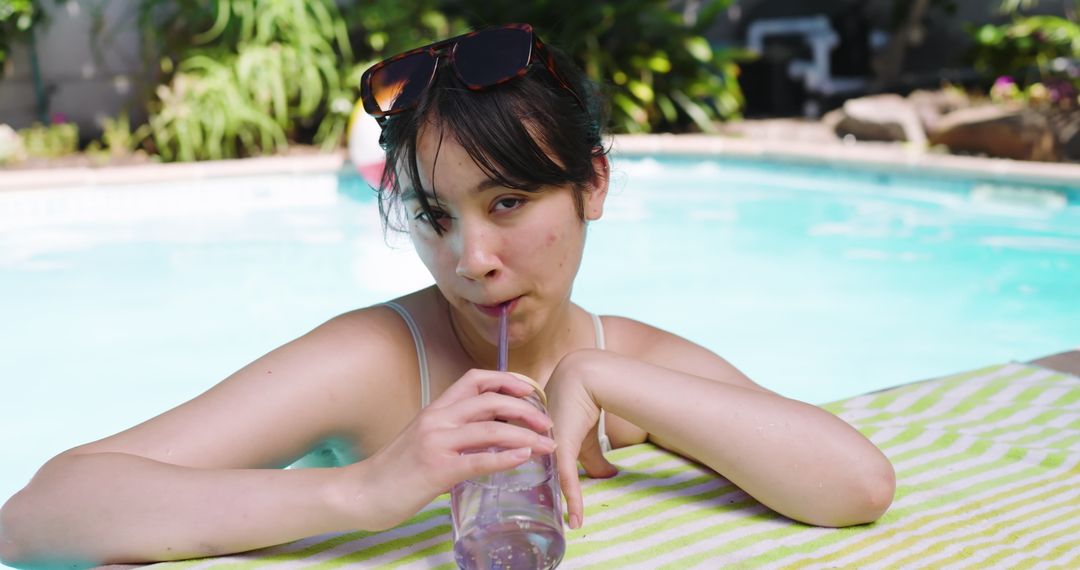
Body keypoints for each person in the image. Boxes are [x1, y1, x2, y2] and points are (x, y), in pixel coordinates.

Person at [0, 23, 894, 566]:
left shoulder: (629, 363)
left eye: (508, 201)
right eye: (435, 214)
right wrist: (369, 490)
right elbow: (37, 518)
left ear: (592, 183)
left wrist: (603, 378)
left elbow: (857, 486)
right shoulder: (379, 363)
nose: (470, 258)